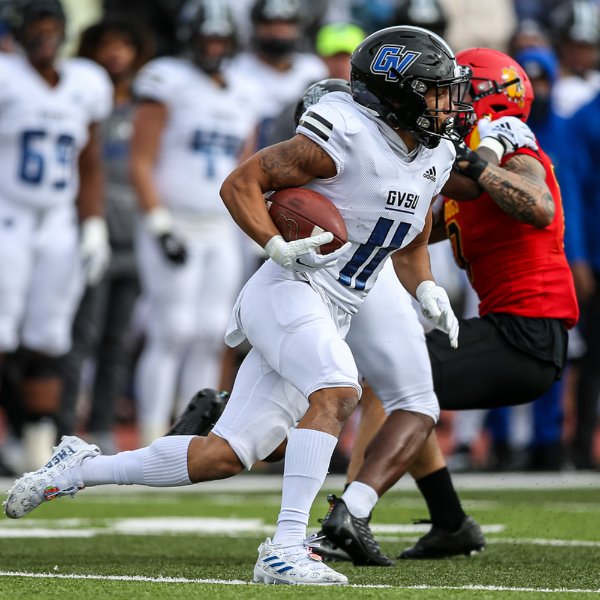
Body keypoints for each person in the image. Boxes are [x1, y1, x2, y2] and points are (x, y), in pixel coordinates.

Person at [4, 25, 471, 586]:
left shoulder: (436, 153)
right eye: (435, 92)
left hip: (340, 305)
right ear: (396, 94)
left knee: (224, 455)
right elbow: (241, 183)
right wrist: (273, 243)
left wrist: (425, 288)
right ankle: (286, 547)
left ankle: (78, 469)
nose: (449, 104)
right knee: (338, 388)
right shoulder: (344, 132)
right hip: (289, 288)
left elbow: (412, 236)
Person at [316, 47, 579, 564]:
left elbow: (540, 205)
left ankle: (347, 518)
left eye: (457, 92)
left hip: (529, 334)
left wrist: (480, 167)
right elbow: (406, 234)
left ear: (488, 98)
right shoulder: (461, 169)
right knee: (406, 385)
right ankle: (451, 523)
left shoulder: (512, 142)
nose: (446, 103)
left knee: (393, 383)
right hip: (508, 328)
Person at [129, 0, 260, 445]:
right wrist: (159, 223)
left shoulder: (244, 89)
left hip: (220, 226)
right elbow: (140, 160)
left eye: (221, 40)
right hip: (175, 221)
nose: (213, 47)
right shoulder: (168, 80)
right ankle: (151, 433)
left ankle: (189, 437)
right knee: (171, 330)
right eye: (207, 39)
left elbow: (245, 164)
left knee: (210, 333)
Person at [0, 0, 112, 470]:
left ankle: (35, 444)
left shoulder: (85, 83)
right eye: (37, 27)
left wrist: (93, 223)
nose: (46, 36)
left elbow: (89, 161)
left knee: (48, 336)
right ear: (19, 32)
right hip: (8, 213)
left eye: (53, 27)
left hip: (59, 220)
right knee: (2, 332)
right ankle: (15, 432)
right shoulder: (7, 76)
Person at [55, 17, 155, 453]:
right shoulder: (80, 102)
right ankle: (61, 428)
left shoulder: (147, 107)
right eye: (106, 45)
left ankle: (101, 427)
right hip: (89, 230)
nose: (116, 53)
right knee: (81, 336)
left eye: (124, 45)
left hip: (135, 234)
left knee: (119, 340)